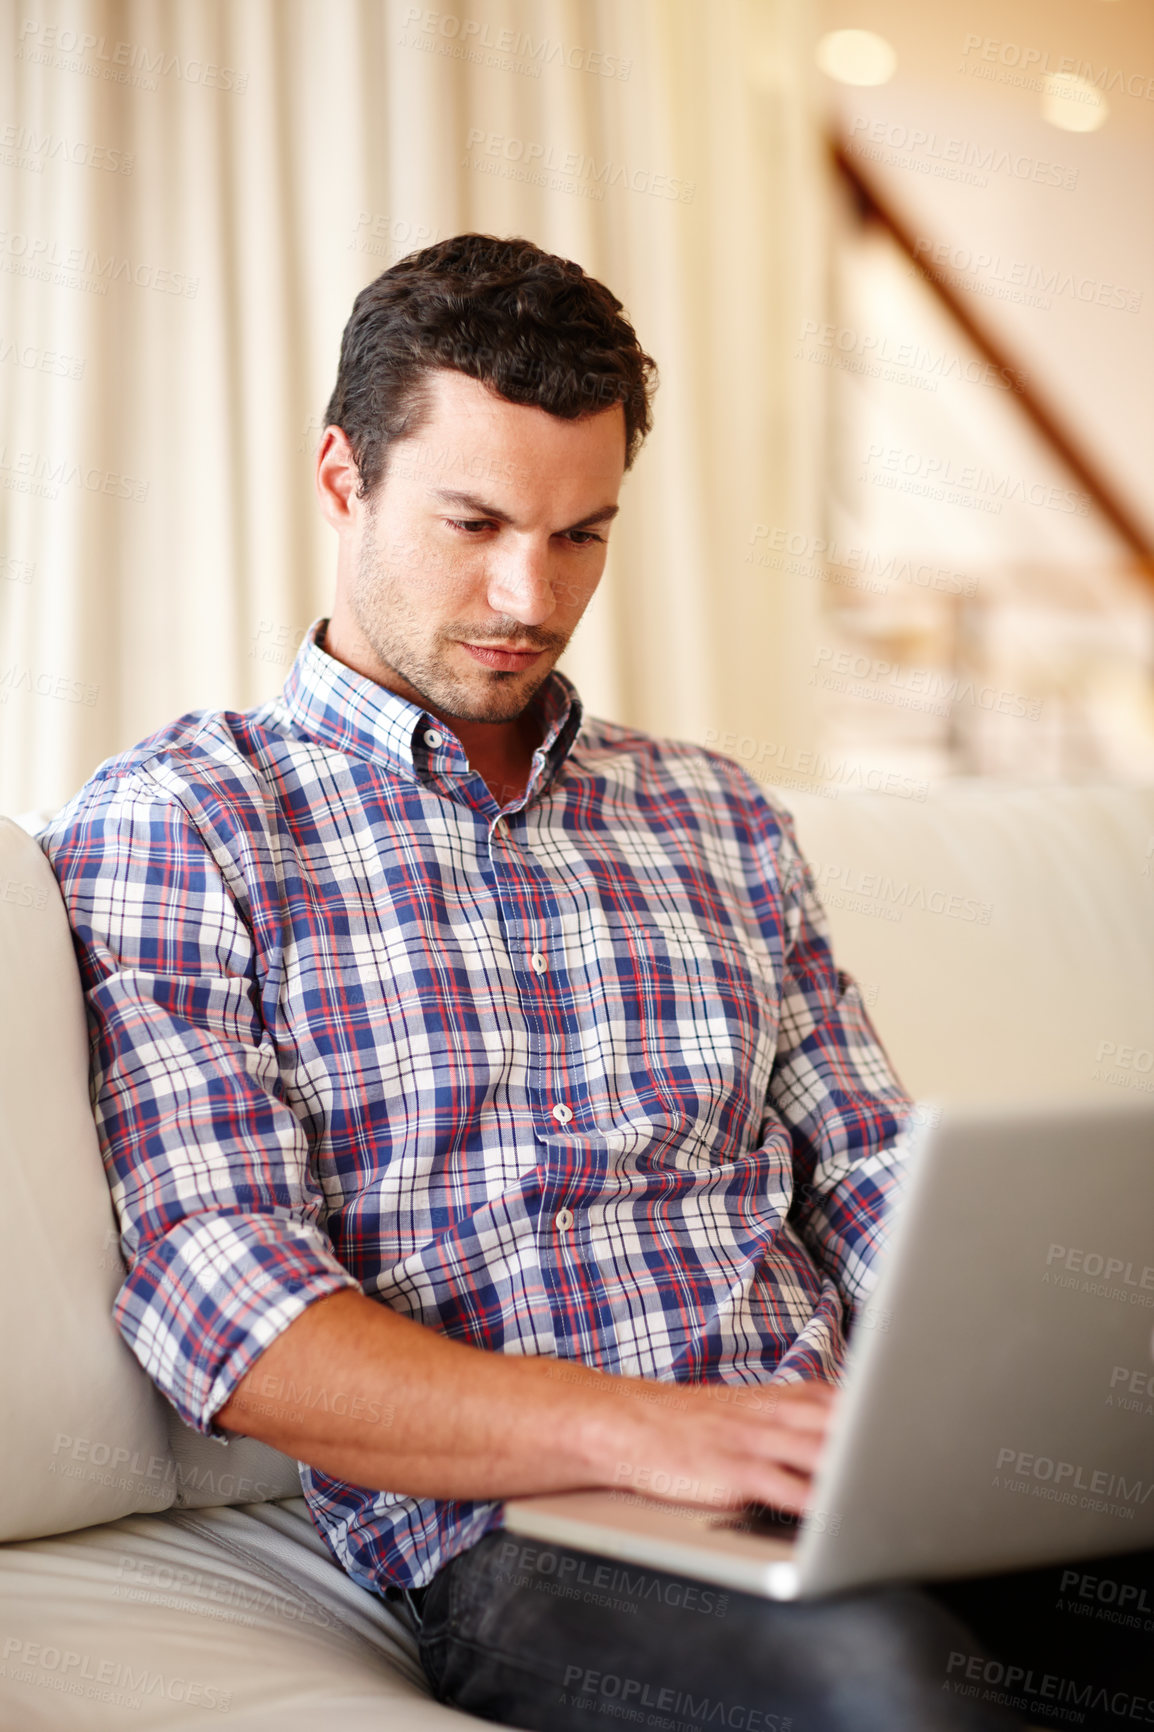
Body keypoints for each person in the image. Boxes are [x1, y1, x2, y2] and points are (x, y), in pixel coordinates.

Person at [39, 234, 1138, 1732]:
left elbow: (873, 1174)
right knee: (896, 1699)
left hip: (824, 1469)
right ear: (341, 477)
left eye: (580, 536)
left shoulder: (715, 812)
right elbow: (227, 1314)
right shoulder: (192, 817)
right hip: (535, 1541)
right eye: (474, 521)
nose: (526, 592)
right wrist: (663, 1436)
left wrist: (1030, 1405)